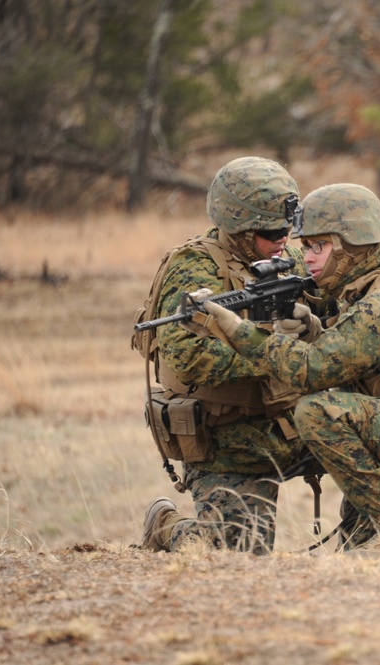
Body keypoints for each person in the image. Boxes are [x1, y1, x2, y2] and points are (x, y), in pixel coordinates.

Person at [188, 183, 380, 559]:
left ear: (352, 244)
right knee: (358, 548)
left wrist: (232, 328)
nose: (310, 258)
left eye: (319, 246)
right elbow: (366, 359)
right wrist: (318, 331)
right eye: (306, 247)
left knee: (317, 411)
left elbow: (311, 371)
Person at [140, 156, 322, 555]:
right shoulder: (193, 269)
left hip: (291, 420)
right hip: (228, 440)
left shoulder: (285, 260)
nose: (283, 239)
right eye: (271, 231)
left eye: (288, 229)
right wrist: (273, 351)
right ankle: (168, 527)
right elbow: (187, 356)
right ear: (238, 228)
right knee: (234, 556)